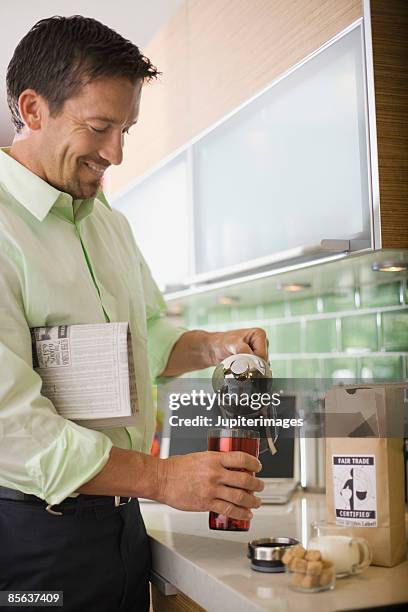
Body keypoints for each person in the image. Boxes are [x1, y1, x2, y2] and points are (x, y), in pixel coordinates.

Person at [0, 15, 267, 612]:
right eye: (100, 127)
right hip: (29, 536)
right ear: (33, 109)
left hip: (121, 525)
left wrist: (212, 346)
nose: (116, 153)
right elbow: (11, 428)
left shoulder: (107, 221)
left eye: (126, 128)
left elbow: (145, 333)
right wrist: (166, 479)